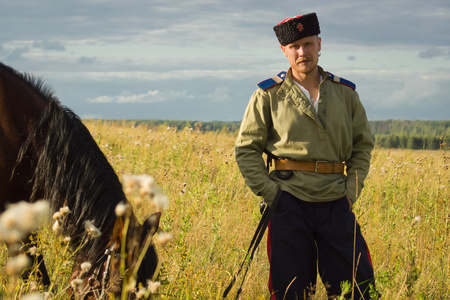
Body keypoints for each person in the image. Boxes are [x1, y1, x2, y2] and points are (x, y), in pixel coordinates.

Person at [235, 13, 376, 299]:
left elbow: (362, 146)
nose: (303, 53)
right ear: (284, 51)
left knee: (358, 290)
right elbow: (246, 149)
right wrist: (273, 196)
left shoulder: (345, 93)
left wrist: (351, 192)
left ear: (319, 43)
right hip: (289, 203)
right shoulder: (268, 95)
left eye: (308, 44)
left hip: (336, 202)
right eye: (295, 46)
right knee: (291, 292)